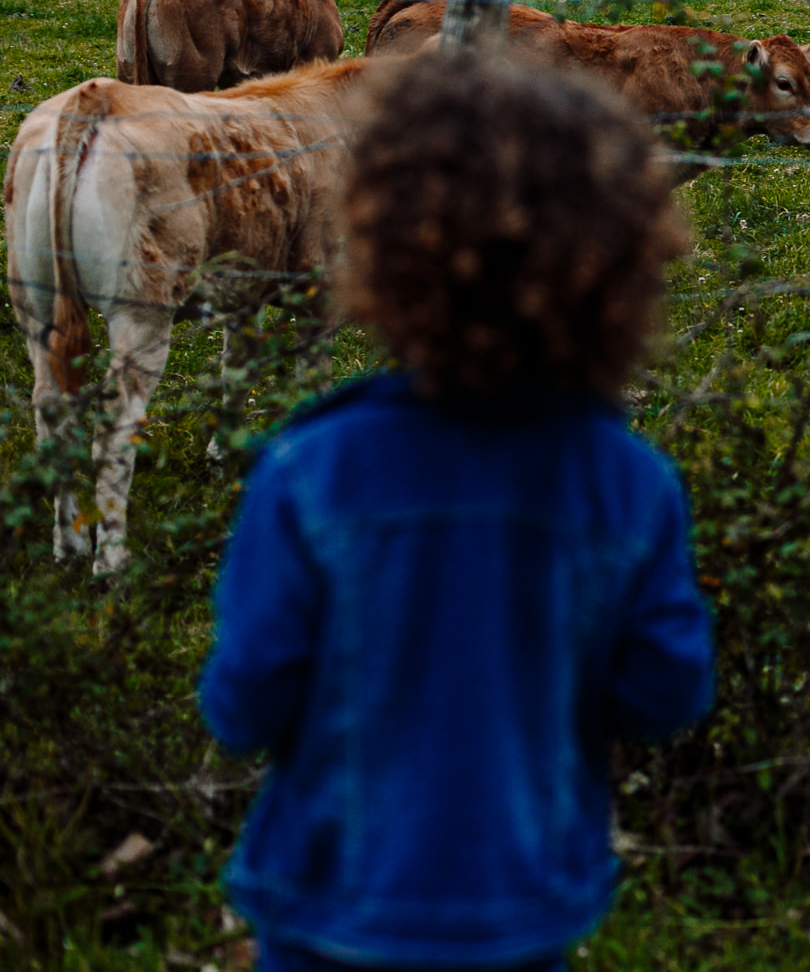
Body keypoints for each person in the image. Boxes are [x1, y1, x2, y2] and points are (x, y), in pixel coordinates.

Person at [199, 53, 713, 972]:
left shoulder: (311, 471)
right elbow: (665, 693)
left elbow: (242, 702)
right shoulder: (625, 484)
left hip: (327, 907)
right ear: (624, 261)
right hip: (519, 912)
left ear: (386, 249)